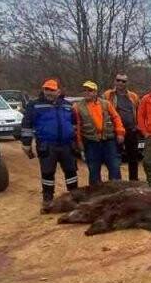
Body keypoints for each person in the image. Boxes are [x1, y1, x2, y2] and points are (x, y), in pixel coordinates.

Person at [21, 79, 79, 210]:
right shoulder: (34, 105)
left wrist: (76, 142)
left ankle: (74, 198)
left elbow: (74, 125)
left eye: (52, 90)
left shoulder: (67, 105)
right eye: (46, 89)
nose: (48, 92)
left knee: (71, 172)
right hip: (47, 144)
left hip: (67, 144)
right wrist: (26, 144)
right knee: (47, 173)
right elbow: (26, 125)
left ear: (58, 91)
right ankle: (48, 200)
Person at [73, 80, 124, 185]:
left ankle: (117, 193)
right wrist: (79, 143)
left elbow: (116, 118)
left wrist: (120, 132)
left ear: (95, 92)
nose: (87, 92)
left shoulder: (105, 104)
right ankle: (96, 197)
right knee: (94, 171)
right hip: (91, 143)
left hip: (108, 141)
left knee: (114, 168)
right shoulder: (77, 107)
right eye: (85, 90)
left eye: (90, 90)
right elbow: (77, 127)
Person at [104, 73, 142, 180]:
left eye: (123, 81)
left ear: (127, 83)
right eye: (118, 80)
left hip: (131, 130)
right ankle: (116, 182)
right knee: (115, 159)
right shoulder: (108, 95)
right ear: (115, 81)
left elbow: (139, 111)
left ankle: (133, 181)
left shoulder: (133, 96)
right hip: (115, 131)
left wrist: (138, 127)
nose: (120, 83)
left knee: (133, 158)